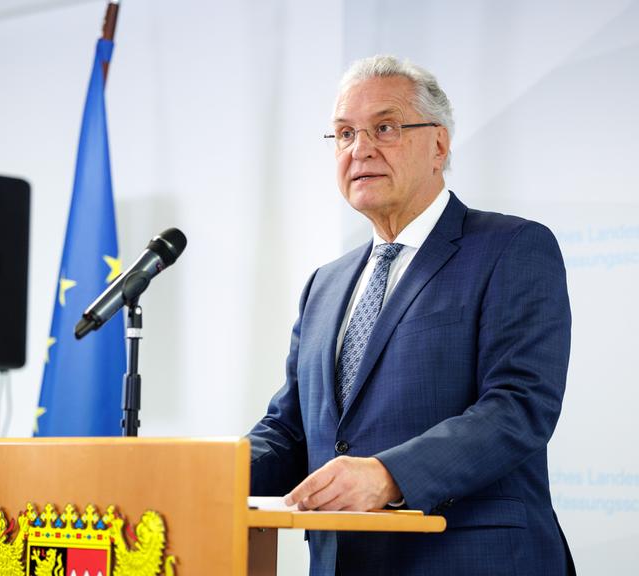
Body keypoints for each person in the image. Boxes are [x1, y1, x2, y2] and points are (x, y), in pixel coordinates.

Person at [247, 55, 576, 576]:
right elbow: (290, 431)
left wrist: (389, 474)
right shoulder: (325, 285)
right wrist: (207, 476)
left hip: (471, 559)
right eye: (344, 133)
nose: (361, 149)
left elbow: (519, 406)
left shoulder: (511, 248)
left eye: (385, 127)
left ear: (439, 145)